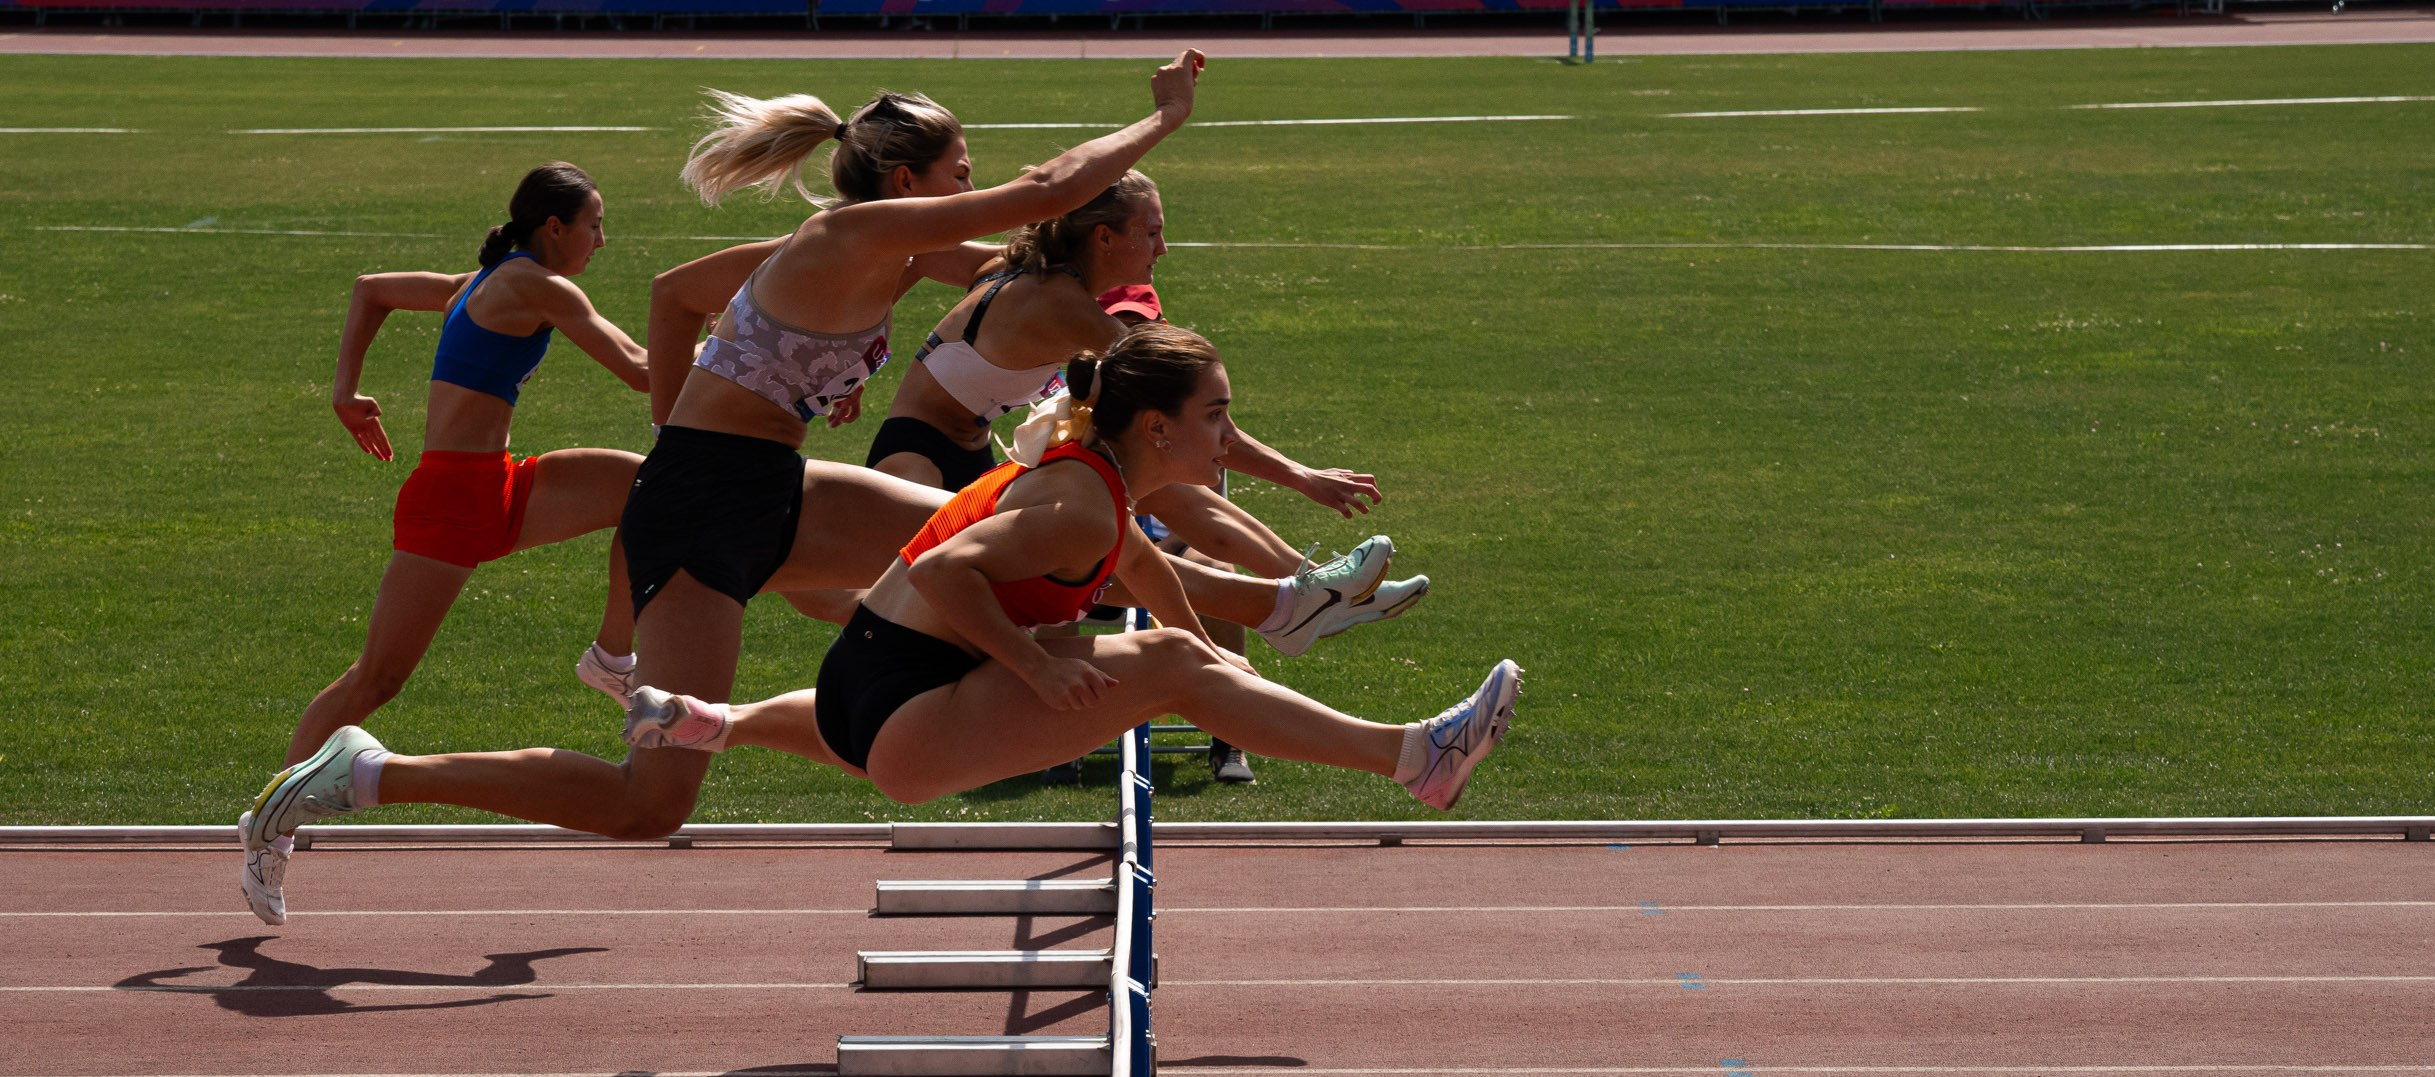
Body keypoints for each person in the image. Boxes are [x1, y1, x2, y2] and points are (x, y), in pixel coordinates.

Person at [238, 56, 1213, 909]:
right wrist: (1162, 121)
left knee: (1020, 534)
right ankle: (369, 773)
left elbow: (687, 296)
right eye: (962, 170)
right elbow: (1044, 192)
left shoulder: (893, 256)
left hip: (768, 488)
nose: (977, 181)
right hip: (707, 502)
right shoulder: (847, 238)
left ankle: (1252, 620)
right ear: (907, 180)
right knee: (648, 801)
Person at [620, 326, 1519, 813]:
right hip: (899, 717)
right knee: (1166, 670)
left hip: (849, 699)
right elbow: (942, 575)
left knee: (1182, 654)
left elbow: (1140, 568)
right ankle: (1415, 759)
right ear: (1157, 428)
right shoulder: (1082, 498)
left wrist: (1214, 647)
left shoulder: (1093, 477)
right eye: (1218, 416)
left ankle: (719, 723)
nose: (1229, 438)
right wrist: (1037, 664)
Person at [866, 174, 1422, 784]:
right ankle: (1307, 596)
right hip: (918, 456)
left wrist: (866, 345)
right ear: (1105, 238)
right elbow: (1179, 408)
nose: (1163, 249)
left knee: (1143, 499)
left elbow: (917, 254)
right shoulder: (1064, 303)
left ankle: (1311, 592)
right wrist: (1300, 477)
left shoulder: (1034, 268)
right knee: (1146, 488)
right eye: (1152, 232)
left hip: (973, 452)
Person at [239, 162, 653, 924]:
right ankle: (272, 822)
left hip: (498, 481)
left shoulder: (479, 280)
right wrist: (754, 357)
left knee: (650, 492)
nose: (603, 238)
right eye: (595, 223)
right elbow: (638, 371)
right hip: (451, 500)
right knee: (376, 679)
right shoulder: (536, 286)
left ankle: (611, 658)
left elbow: (372, 288)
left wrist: (346, 390)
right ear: (553, 229)